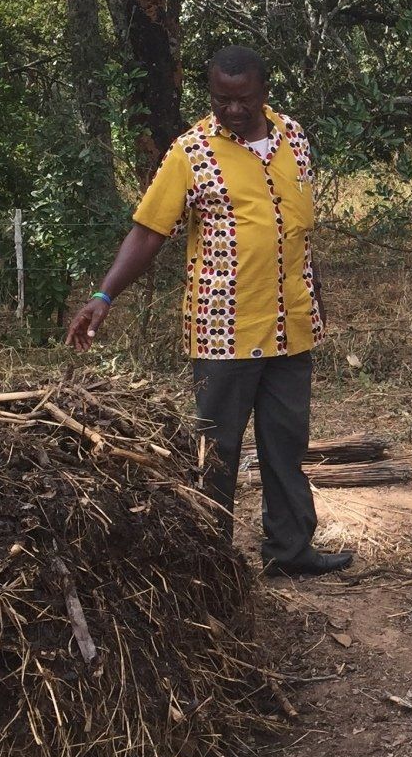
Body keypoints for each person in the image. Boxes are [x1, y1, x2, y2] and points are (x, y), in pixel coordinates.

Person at [65, 46, 353, 577]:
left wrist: (315, 296)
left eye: (243, 99)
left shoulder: (294, 138)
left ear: (264, 93)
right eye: (221, 99)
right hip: (223, 330)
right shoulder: (191, 152)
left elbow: (297, 235)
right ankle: (211, 563)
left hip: (291, 327)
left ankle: (290, 550)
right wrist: (104, 296)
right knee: (215, 451)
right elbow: (149, 231)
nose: (233, 110)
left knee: (286, 443)